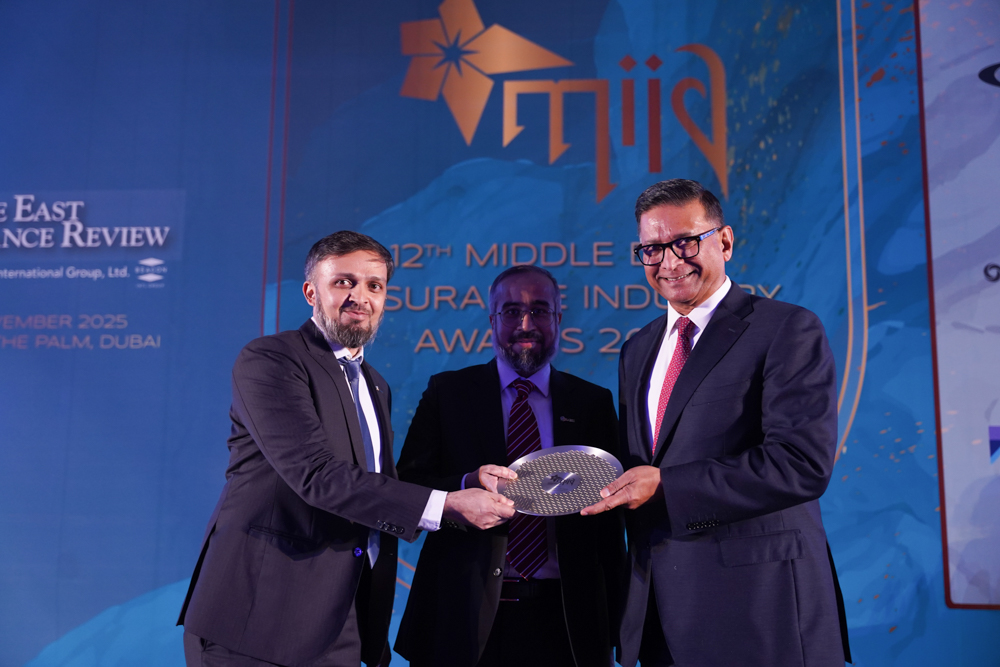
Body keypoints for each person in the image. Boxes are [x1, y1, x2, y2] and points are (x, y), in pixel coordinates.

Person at [177, 231, 515, 667]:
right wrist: (447, 505)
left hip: (344, 621)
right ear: (310, 292)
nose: (361, 297)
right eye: (344, 282)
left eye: (374, 285)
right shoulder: (271, 360)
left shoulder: (375, 384)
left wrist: (465, 483)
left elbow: (374, 486)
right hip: (257, 623)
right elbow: (316, 475)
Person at [581, 180, 851, 667]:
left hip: (760, 611)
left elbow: (801, 464)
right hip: (660, 615)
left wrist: (667, 486)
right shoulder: (638, 349)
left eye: (685, 242)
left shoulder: (786, 328)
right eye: (651, 249)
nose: (669, 262)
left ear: (724, 241)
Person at [393, 265, 624, 667]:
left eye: (539, 311)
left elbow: (610, 526)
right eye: (512, 311)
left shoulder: (592, 402)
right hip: (461, 617)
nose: (526, 324)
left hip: (567, 623)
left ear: (558, 319)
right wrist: (466, 483)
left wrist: (620, 625)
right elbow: (408, 486)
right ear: (492, 320)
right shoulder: (448, 393)